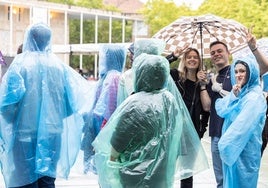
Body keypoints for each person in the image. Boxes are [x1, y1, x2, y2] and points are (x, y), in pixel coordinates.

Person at [0, 23, 94, 188]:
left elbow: (7, 104)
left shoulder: (19, 66)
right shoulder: (58, 67)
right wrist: (52, 118)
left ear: (28, 38)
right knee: (47, 179)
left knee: (25, 179)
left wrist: (14, 121)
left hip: (23, 134)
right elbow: (70, 104)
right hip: (52, 134)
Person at [92, 54, 208, 188]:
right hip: (161, 172)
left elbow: (120, 138)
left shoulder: (134, 103)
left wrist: (112, 159)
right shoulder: (169, 100)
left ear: (140, 74)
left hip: (133, 173)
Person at [215, 56, 267, 188]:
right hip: (234, 154)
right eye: (236, 71)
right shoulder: (242, 94)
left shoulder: (254, 98)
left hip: (243, 154)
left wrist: (224, 145)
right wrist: (233, 96)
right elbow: (221, 109)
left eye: (242, 71)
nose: (238, 75)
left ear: (251, 72)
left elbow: (241, 127)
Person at [81, 44, 126, 174]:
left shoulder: (112, 78)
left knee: (106, 173)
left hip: (104, 131)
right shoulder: (111, 77)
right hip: (103, 131)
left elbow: (109, 111)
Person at [169, 48, 210, 188]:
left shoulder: (203, 82)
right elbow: (158, 66)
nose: (192, 59)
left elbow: (206, 112)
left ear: (199, 61)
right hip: (173, 132)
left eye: (195, 57)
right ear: (184, 60)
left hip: (191, 134)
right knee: (166, 169)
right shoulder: (175, 77)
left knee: (187, 174)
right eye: (189, 57)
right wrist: (173, 55)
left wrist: (200, 131)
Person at [197, 41, 233, 188]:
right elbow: (207, 106)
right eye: (212, 53)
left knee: (234, 176)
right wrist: (203, 85)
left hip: (233, 133)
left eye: (219, 51)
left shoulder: (237, 72)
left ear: (228, 52)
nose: (216, 54)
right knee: (220, 180)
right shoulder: (213, 79)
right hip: (216, 133)